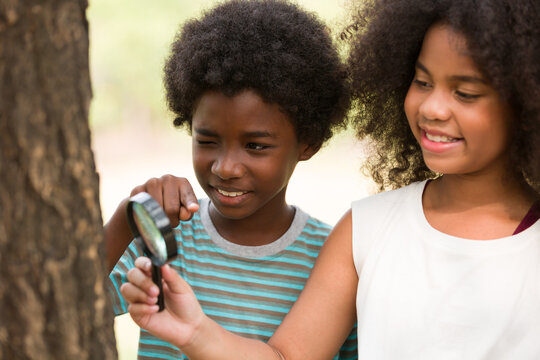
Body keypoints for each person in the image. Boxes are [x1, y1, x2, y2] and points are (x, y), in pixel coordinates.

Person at [119, 0, 540, 358]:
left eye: (465, 93)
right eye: (422, 81)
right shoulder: (366, 230)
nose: (432, 108)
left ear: (527, 98)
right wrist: (194, 333)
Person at [105, 0, 358, 359]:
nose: (225, 167)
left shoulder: (330, 261)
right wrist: (128, 218)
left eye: (255, 146)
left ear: (308, 144)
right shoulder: (160, 236)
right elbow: (66, 305)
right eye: (207, 141)